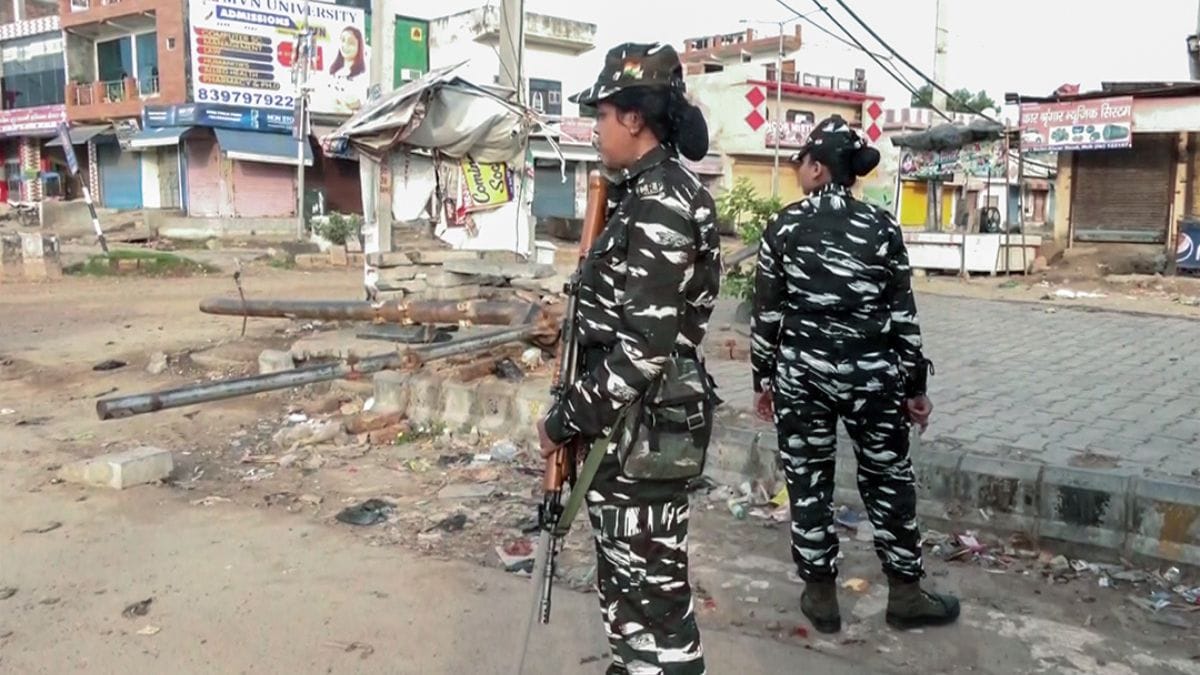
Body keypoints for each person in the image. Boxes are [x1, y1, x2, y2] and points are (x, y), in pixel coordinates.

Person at [536, 42, 721, 675]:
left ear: (635, 119)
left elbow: (643, 352)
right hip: (624, 432)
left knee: (656, 603)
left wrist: (565, 421)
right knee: (628, 591)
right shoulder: (634, 195)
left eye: (604, 114)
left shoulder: (662, 201)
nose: (596, 128)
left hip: (642, 432)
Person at [751, 115, 959, 634]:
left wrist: (764, 380)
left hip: (803, 376)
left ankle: (821, 596)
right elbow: (902, 315)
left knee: (809, 480)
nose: (799, 170)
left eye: (802, 162)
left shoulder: (783, 227)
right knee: (889, 480)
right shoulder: (882, 227)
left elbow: (767, 316)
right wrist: (915, 389)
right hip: (874, 377)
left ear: (819, 169)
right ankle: (906, 595)